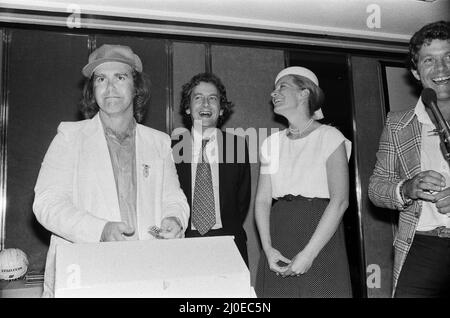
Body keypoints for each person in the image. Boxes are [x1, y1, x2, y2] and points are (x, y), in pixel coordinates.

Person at [33, 44, 190, 297]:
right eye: (101, 79)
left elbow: (174, 198)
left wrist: (174, 220)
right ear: (92, 89)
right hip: (85, 275)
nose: (110, 87)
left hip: (147, 273)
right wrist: (100, 231)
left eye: (120, 77)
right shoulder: (69, 137)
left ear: (136, 87)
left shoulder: (159, 142)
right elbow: (46, 203)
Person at [254, 66, 352, 297]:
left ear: (304, 93)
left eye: (282, 87)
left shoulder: (330, 137)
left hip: (318, 235)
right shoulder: (271, 143)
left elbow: (339, 202)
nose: (274, 93)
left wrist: (308, 254)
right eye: (274, 89)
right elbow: (262, 200)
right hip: (280, 232)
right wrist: (268, 249)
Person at [369, 21, 450, 298]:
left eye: (448, 58)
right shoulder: (397, 124)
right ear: (416, 72)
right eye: (429, 60)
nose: (441, 69)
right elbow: (376, 188)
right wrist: (407, 188)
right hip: (422, 247)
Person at [171, 72, 251, 265]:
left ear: (221, 109)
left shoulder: (237, 146)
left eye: (212, 99)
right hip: (183, 244)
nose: (206, 104)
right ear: (188, 108)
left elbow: (242, 200)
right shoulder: (171, 146)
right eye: (198, 98)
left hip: (228, 245)